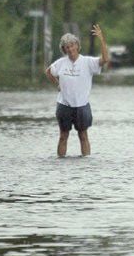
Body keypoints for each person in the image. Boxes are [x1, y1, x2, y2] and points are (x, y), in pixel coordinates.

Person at [45, 24, 109, 157]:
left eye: (72, 45)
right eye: (67, 47)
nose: (70, 49)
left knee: (83, 135)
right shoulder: (61, 63)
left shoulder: (88, 62)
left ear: (77, 46)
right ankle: (60, 162)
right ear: (64, 49)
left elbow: (105, 60)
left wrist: (101, 40)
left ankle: (85, 165)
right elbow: (49, 72)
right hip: (64, 105)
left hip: (82, 105)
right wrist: (57, 85)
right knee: (63, 136)